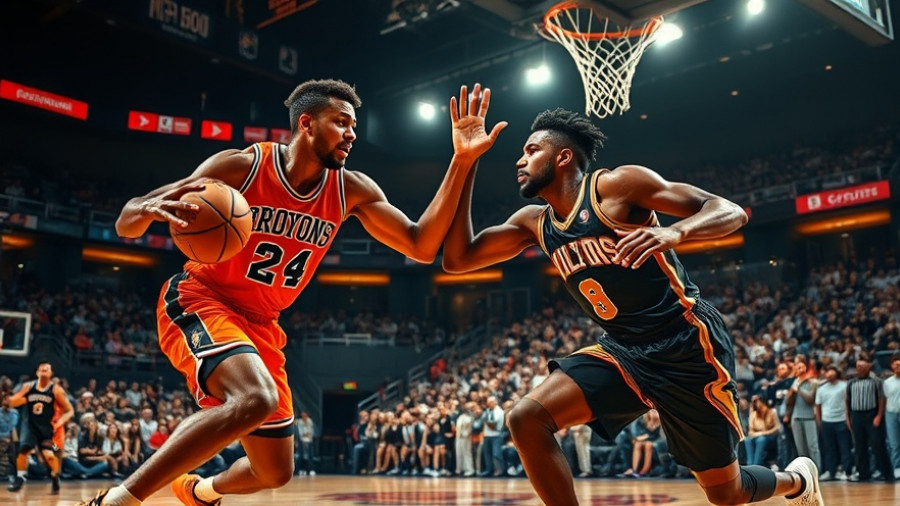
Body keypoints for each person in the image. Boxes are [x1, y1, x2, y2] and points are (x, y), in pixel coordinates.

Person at [79, 79, 501, 506]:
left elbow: (421, 246)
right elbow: (126, 222)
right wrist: (145, 210)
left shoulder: (351, 189)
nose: (352, 134)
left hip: (263, 324)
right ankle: (116, 501)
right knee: (256, 398)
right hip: (203, 298)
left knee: (274, 471)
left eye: (354, 126)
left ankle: (199, 491)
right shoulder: (242, 166)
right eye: (341, 122)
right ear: (307, 123)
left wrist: (461, 161)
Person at [441, 106, 822, 505]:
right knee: (525, 417)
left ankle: (797, 480)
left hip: (686, 343)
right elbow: (458, 259)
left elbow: (730, 211)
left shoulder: (617, 187)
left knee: (726, 493)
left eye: (531, 150)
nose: (520, 160)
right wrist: (466, 161)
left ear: (563, 157)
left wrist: (676, 232)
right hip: (623, 349)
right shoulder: (533, 222)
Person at [6, 362, 73, 495]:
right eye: (41, 369)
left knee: (52, 455)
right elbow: (16, 400)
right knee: (25, 450)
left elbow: (69, 411)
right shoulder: (29, 387)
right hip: (32, 426)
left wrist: (60, 423)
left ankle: (55, 476)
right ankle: (21, 478)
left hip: (51, 430)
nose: (44, 371)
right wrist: (9, 400)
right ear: (37, 373)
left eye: (47, 369)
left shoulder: (57, 392)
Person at [846, 353, 893, 482]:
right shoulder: (851, 382)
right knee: (859, 446)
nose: (859, 369)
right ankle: (863, 474)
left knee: (878, 445)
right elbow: (847, 401)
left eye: (862, 367)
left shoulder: (876, 381)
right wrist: (848, 418)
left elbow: (882, 399)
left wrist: (879, 416)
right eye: (858, 366)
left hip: (871, 415)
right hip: (856, 415)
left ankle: (887, 474)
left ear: (869, 367)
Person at [814, 364, 851, 481]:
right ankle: (830, 471)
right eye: (827, 371)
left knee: (844, 447)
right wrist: (820, 421)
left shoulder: (844, 386)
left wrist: (848, 419)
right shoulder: (821, 389)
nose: (829, 374)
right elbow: (818, 406)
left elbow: (847, 403)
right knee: (829, 449)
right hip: (827, 421)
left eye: (831, 371)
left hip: (841, 420)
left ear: (836, 372)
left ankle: (845, 471)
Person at [744, 395, 779, 467]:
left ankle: (757, 464)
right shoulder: (753, 413)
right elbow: (750, 430)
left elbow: (776, 428)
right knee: (747, 440)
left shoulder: (771, 412)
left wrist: (762, 433)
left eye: (757, 401)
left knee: (761, 440)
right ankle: (750, 464)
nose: (755, 404)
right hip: (756, 434)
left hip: (769, 434)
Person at [884, 353, 900, 479]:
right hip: (891, 413)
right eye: (895, 364)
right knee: (894, 443)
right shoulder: (887, 382)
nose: (897, 367)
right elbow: (884, 399)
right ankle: (897, 467)